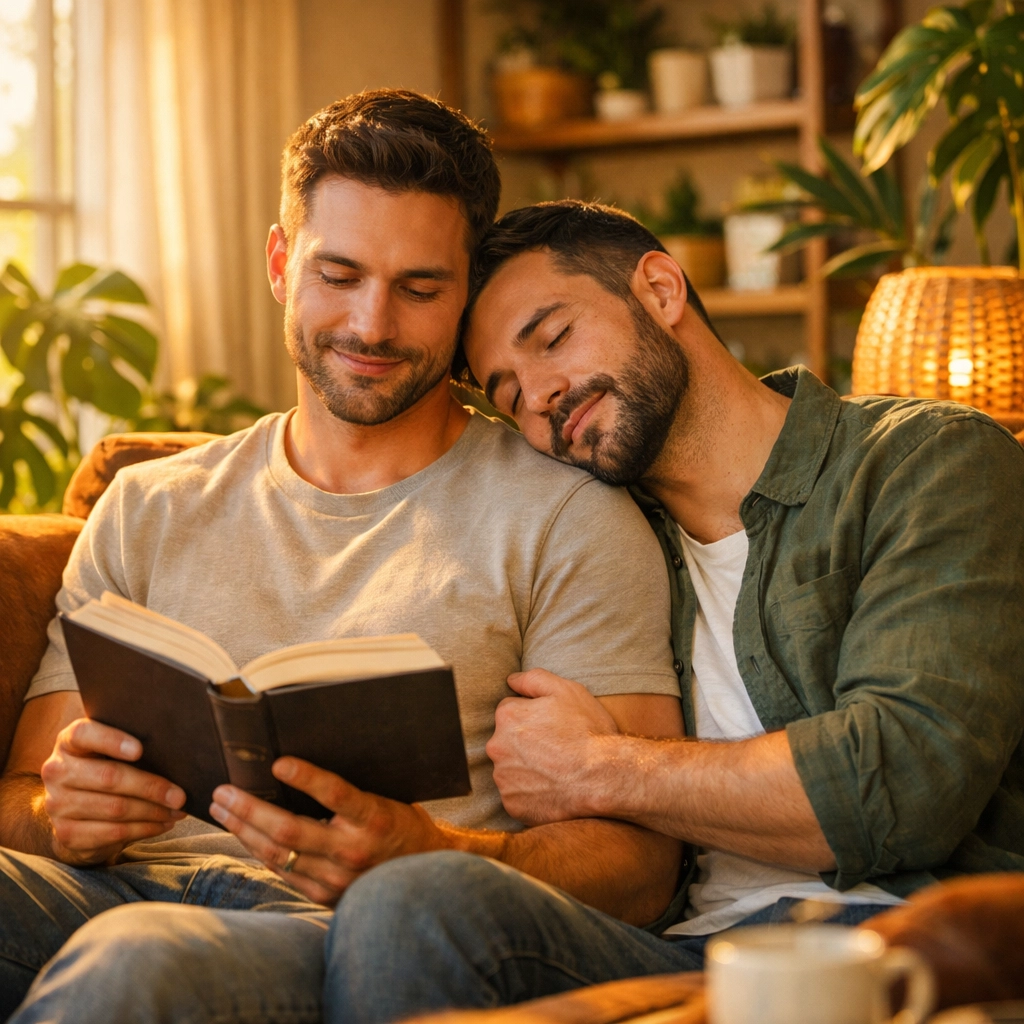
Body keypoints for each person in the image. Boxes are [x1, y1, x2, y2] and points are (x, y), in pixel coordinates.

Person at [0, 108, 687, 1022]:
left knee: (137, 965)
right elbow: (22, 797)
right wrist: (62, 816)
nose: (372, 322)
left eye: (420, 286)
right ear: (283, 263)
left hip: (335, 927)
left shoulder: (564, 515)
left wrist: (427, 849)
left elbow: (641, 866)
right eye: (340, 274)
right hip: (108, 890)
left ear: (465, 291)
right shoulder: (148, 506)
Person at [317, 200, 1024, 1023]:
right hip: (674, 947)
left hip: (896, 942)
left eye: (552, 338)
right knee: (414, 902)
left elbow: (900, 779)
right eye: (507, 393)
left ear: (659, 287)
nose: (540, 395)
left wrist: (600, 766)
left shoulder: (924, 463)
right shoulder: (601, 545)